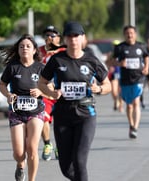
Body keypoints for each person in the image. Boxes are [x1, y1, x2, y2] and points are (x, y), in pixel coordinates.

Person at [38, 21, 111, 181]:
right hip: (63, 115)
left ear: (82, 38)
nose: (73, 40)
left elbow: (108, 85)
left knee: (79, 161)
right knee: (66, 168)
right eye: (69, 36)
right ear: (65, 39)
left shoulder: (91, 60)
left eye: (76, 36)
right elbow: (41, 83)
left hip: (86, 114)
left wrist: (98, 89)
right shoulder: (57, 60)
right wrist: (51, 92)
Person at [0, 34, 45, 181]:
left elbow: (50, 87)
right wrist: (8, 94)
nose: (24, 48)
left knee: (32, 148)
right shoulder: (13, 67)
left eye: (28, 46)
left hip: (36, 111)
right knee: (19, 153)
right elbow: (2, 85)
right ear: (18, 50)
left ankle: (31, 179)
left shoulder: (40, 68)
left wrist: (40, 91)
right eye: (21, 46)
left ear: (34, 50)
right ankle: (20, 165)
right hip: (17, 112)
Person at [112, 25, 149, 139]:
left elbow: (146, 56)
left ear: (135, 34)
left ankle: (135, 128)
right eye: (127, 33)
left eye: (132, 33)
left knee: (136, 102)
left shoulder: (141, 46)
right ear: (125, 35)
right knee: (129, 106)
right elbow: (111, 61)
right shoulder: (120, 47)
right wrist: (119, 64)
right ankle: (131, 125)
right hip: (126, 79)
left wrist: (146, 67)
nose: (130, 35)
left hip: (139, 78)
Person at [39, 25, 66, 161]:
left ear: (59, 38)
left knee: (62, 122)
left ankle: (60, 145)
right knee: (44, 117)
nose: (49, 38)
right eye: (47, 35)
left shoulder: (65, 51)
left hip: (64, 93)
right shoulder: (39, 52)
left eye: (52, 35)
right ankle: (48, 144)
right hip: (47, 93)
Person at [105, 40, 124, 112]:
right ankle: (116, 101)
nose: (116, 47)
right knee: (114, 91)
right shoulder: (111, 54)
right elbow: (107, 62)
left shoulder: (123, 53)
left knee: (121, 91)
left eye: (117, 45)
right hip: (114, 74)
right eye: (114, 45)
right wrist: (110, 66)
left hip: (122, 73)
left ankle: (121, 106)